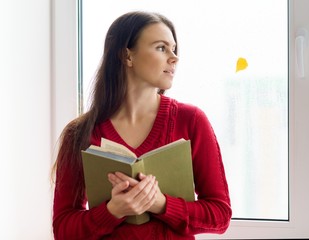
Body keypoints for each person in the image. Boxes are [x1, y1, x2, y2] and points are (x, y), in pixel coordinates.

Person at [52, 11, 232, 240]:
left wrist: (160, 204)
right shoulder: (78, 134)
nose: (174, 57)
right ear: (127, 56)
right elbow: (63, 230)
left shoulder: (192, 121)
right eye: (161, 47)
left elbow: (220, 215)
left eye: (174, 49)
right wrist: (113, 211)